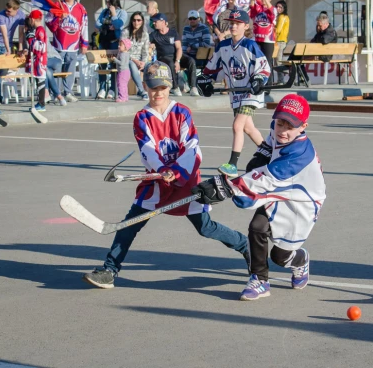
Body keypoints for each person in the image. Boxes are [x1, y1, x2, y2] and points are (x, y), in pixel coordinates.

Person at [82, 61, 250, 289]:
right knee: (129, 225)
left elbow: (192, 147)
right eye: (152, 87)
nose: (157, 92)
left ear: (169, 86)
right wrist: (162, 170)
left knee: (206, 228)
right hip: (157, 183)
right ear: (144, 86)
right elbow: (147, 149)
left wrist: (176, 171)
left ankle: (246, 247)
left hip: (185, 183)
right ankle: (110, 270)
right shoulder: (142, 117)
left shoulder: (182, 112)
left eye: (162, 88)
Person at [191, 93, 326, 301]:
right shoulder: (277, 132)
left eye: (289, 127)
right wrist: (257, 159)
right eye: (280, 123)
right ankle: (260, 280)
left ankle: (299, 259)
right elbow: (267, 149)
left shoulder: (300, 153)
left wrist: (224, 186)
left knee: (280, 257)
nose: (282, 130)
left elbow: (265, 179)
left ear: (303, 126)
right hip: (279, 190)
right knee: (257, 227)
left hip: (302, 201)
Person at [198, 9, 270, 178]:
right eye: (232, 23)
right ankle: (270, 153)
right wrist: (204, 79)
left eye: (237, 24)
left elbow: (264, 67)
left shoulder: (250, 46)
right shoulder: (223, 46)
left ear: (246, 26)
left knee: (237, 125)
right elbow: (214, 67)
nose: (233, 26)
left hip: (250, 93)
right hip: (236, 93)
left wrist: (258, 80)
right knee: (248, 128)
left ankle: (232, 164)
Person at [45, 0, 88, 103]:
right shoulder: (58, 6)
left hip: (73, 46)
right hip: (58, 45)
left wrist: (84, 43)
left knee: (70, 70)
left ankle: (68, 92)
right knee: (56, 70)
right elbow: (48, 22)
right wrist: (59, 18)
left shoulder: (81, 9)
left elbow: (84, 26)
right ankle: (56, 93)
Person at [149, 13, 198, 97]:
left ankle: (193, 87)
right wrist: (150, 47)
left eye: (155, 21)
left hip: (176, 57)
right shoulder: (153, 35)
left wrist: (178, 61)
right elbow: (147, 45)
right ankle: (175, 87)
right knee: (170, 63)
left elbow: (179, 48)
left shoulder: (173, 33)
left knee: (191, 61)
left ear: (163, 22)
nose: (153, 23)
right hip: (164, 58)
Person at [95, 0, 127, 99]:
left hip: (114, 41)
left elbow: (119, 24)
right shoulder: (104, 12)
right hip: (104, 41)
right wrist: (108, 26)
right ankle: (102, 88)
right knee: (102, 65)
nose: (107, 3)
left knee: (114, 65)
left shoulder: (122, 12)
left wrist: (114, 15)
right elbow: (98, 23)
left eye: (109, 1)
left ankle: (113, 88)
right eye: (106, 1)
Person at [0, 0, 25, 108]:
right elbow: (4, 35)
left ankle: (0, 97)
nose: (7, 12)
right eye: (6, 10)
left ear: (16, 10)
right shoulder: (1, 15)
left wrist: (20, 48)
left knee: (3, 71)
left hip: (7, 43)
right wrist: (8, 49)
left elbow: (21, 33)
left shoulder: (21, 15)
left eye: (9, 11)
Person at [249, 0, 276, 84]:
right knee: (256, 61)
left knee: (267, 62)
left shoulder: (273, 9)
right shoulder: (258, 8)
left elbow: (272, 11)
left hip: (268, 40)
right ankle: (256, 82)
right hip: (256, 39)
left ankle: (268, 85)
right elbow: (251, 4)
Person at [121, 11, 150, 100]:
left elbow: (145, 51)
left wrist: (143, 63)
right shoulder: (125, 32)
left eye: (139, 20)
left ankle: (155, 90)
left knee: (152, 67)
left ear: (142, 21)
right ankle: (142, 91)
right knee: (132, 65)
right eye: (134, 20)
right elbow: (123, 50)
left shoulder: (145, 34)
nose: (136, 22)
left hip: (140, 60)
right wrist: (135, 60)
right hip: (127, 58)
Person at [25, 10, 48, 113]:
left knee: (40, 81)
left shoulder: (40, 30)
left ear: (33, 19)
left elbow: (41, 46)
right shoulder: (36, 30)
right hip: (35, 60)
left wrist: (30, 39)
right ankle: (39, 102)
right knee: (36, 81)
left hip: (40, 60)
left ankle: (41, 103)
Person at [274, 0, 290, 82]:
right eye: (277, 6)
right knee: (277, 61)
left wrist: (271, 30)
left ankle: (282, 79)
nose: (278, 9)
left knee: (278, 61)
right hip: (282, 40)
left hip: (279, 41)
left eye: (280, 7)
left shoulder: (282, 17)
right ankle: (281, 79)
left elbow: (278, 30)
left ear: (284, 8)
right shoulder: (285, 17)